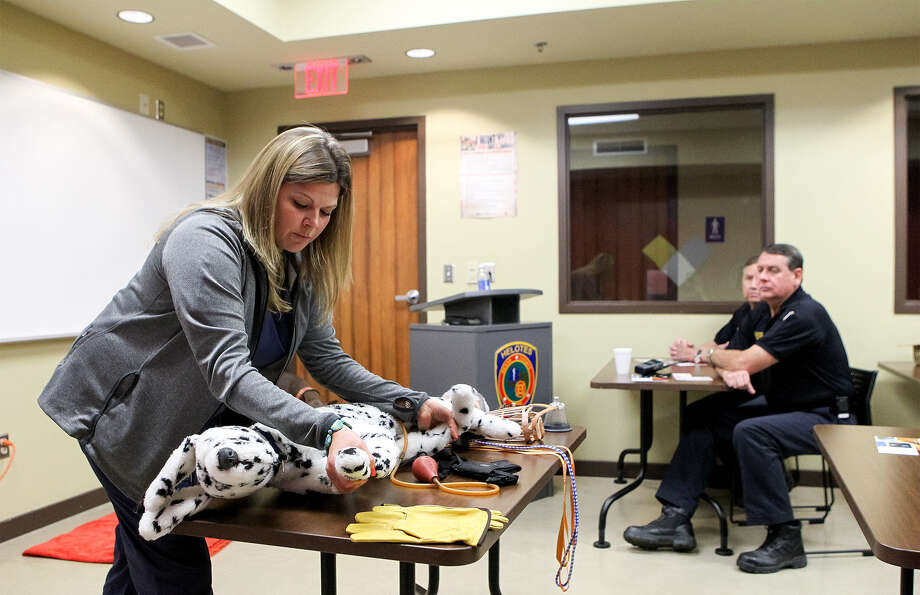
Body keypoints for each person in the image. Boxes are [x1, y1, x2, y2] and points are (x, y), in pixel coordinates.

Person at [38, 126, 458, 594]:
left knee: (139, 557)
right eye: (300, 205)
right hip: (127, 420)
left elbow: (327, 359)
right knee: (174, 564)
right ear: (266, 187)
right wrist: (328, 430)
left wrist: (410, 402)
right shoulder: (205, 239)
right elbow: (228, 370)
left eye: (326, 211)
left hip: (178, 423)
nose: (313, 223)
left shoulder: (300, 261)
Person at [623, 243, 853, 574]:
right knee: (704, 413)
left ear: (796, 276)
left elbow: (740, 358)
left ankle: (786, 539)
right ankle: (676, 517)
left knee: (753, 432)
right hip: (784, 407)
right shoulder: (762, 311)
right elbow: (733, 356)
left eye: (773, 271)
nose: (762, 277)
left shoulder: (804, 314)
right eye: (759, 270)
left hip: (827, 416)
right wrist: (730, 362)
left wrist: (710, 357)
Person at [669, 255, 763, 362]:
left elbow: (737, 356)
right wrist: (689, 351)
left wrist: (695, 354)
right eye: (749, 278)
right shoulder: (743, 311)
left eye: (760, 280)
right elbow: (717, 344)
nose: (754, 285)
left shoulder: (772, 314)